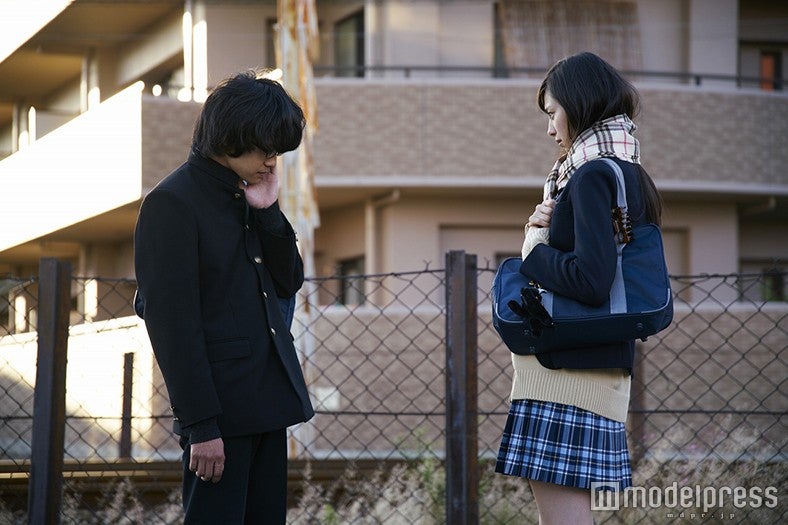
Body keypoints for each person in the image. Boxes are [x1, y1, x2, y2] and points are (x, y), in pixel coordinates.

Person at [134, 69, 314, 524]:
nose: (272, 161)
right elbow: (173, 326)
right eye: (265, 148)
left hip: (268, 403)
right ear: (233, 136)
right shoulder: (172, 203)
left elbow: (289, 281)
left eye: (278, 151)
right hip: (218, 416)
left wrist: (269, 212)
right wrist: (201, 425)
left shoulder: (250, 194)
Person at [495, 52, 664, 524]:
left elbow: (591, 280)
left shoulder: (590, 175)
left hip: (566, 375)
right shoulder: (628, 171)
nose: (550, 129)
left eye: (553, 113)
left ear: (579, 103)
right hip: (596, 368)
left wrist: (534, 245)